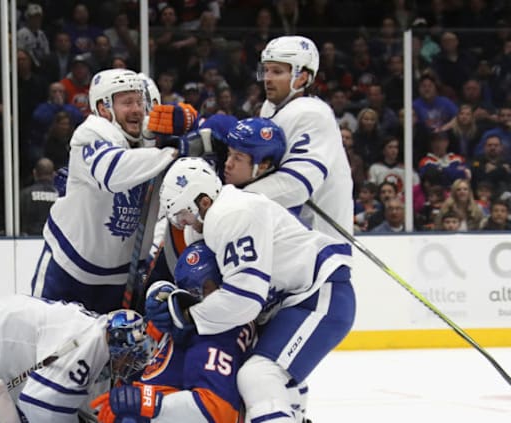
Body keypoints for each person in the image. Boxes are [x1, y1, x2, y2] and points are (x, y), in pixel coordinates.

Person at [151, 157, 355, 423]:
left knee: (258, 375)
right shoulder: (214, 220)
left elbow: (245, 299)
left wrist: (188, 316)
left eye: (184, 215)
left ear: (203, 202)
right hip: (294, 302)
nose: (185, 224)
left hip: (319, 293)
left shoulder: (232, 214)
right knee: (275, 380)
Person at [31, 68, 193, 314]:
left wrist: (192, 128)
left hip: (120, 277)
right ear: (104, 108)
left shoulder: (152, 139)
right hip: (67, 269)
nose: (138, 110)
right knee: (47, 345)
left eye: (141, 102)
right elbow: (114, 173)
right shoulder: (91, 132)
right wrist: (173, 151)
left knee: (114, 352)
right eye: (127, 102)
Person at [0, 290, 153, 422]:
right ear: (118, 344)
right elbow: (42, 409)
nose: (127, 367)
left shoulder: (92, 344)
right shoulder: (90, 339)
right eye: (128, 359)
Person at [91, 241, 255, 423]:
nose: (198, 297)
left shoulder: (218, 336)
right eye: (191, 291)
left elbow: (219, 412)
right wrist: (159, 295)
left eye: (205, 288)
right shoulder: (199, 319)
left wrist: (148, 402)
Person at [254, 35, 354, 240]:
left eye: (277, 71)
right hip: (286, 232)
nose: (268, 78)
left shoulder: (313, 114)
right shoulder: (269, 108)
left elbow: (297, 186)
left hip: (320, 244)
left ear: (302, 78)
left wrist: (236, 197)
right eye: (266, 70)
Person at [19, 158, 59, 236]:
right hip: (54, 240)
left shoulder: (25, 194)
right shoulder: (61, 196)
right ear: (54, 174)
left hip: (27, 240)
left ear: (34, 173)